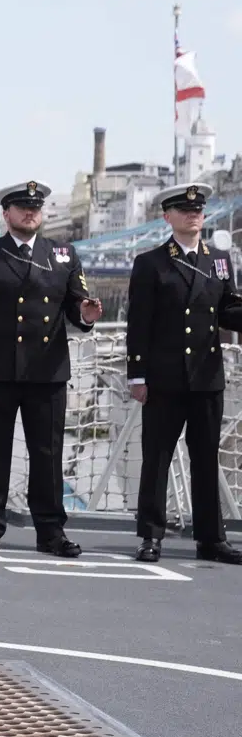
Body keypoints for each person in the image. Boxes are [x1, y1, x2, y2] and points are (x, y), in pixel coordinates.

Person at [0, 181, 102, 557]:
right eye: (22, 207)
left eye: (35, 207)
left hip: (47, 371)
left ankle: (51, 531)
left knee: (48, 453)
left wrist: (86, 317)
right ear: (6, 214)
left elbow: (76, 307)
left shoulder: (64, 254)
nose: (30, 212)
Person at [126, 182, 242, 565]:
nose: (193, 214)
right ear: (168, 217)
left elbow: (227, 310)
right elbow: (139, 324)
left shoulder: (220, 259)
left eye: (198, 209)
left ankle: (211, 539)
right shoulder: (151, 262)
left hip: (206, 377)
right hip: (165, 377)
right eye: (184, 209)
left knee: (206, 459)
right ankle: (151, 536)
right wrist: (137, 375)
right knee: (156, 458)